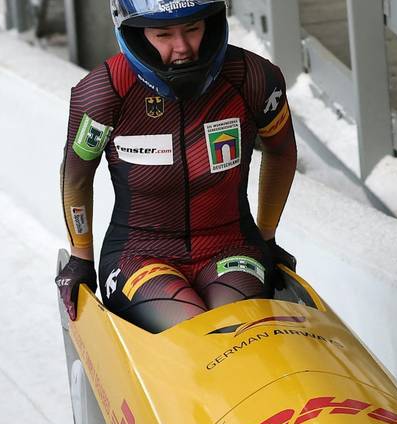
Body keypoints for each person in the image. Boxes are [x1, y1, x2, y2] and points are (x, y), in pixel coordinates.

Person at [56, 0, 297, 332]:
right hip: (138, 254)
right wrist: (80, 256)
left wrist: (266, 236)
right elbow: (76, 176)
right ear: (137, 34)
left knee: (234, 330)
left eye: (193, 29)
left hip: (232, 245)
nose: (183, 48)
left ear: (211, 23)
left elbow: (281, 151)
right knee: (191, 330)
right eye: (163, 34)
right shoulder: (103, 92)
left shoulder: (253, 77)